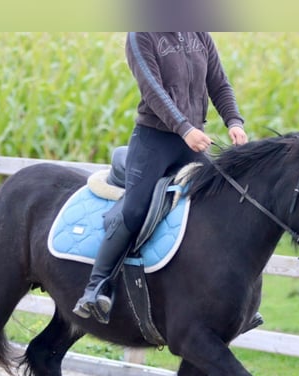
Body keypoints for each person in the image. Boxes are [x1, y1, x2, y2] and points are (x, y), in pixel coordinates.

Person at [73, 32, 249, 323]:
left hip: (193, 140)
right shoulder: (141, 35)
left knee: (224, 200)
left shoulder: (199, 33)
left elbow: (219, 82)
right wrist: (185, 129)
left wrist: (234, 121)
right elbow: (153, 90)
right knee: (135, 208)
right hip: (154, 141)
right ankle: (96, 288)